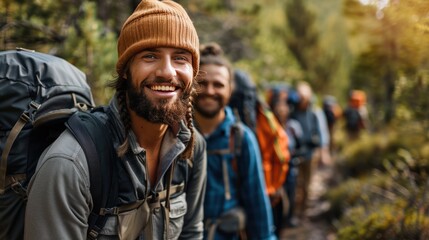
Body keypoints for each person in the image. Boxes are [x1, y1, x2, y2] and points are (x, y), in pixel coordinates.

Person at [24, 1, 207, 239]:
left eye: (180, 58)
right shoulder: (72, 163)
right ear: (124, 69)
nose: (167, 72)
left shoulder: (192, 149)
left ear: (193, 71)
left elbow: (191, 233)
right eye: (150, 56)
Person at [193, 43, 276, 240]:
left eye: (218, 84)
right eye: (202, 83)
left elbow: (258, 206)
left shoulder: (241, 139)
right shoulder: (176, 136)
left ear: (230, 89)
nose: (210, 91)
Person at [266, 85, 303, 228]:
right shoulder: (268, 126)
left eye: (284, 105)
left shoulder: (293, 127)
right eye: (279, 105)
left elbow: (300, 145)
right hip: (273, 170)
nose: (282, 109)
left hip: (290, 168)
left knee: (290, 193)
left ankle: (288, 219)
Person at [289, 81, 322, 220]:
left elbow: (318, 135)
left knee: (307, 185)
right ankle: (294, 213)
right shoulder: (292, 113)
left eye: (305, 96)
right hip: (296, 156)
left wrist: (312, 143)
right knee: (296, 185)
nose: (302, 99)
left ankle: (304, 211)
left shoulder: (313, 114)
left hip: (309, 155)